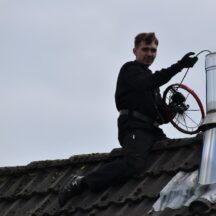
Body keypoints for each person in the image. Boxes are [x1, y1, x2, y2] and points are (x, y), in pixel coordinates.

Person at [58, 32, 198, 207]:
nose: (149, 54)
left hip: (152, 131)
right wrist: (179, 66)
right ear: (135, 51)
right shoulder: (130, 70)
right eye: (145, 49)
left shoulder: (152, 85)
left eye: (153, 50)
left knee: (170, 155)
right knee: (135, 164)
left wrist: (174, 107)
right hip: (134, 128)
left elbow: (162, 117)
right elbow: (148, 82)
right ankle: (82, 182)